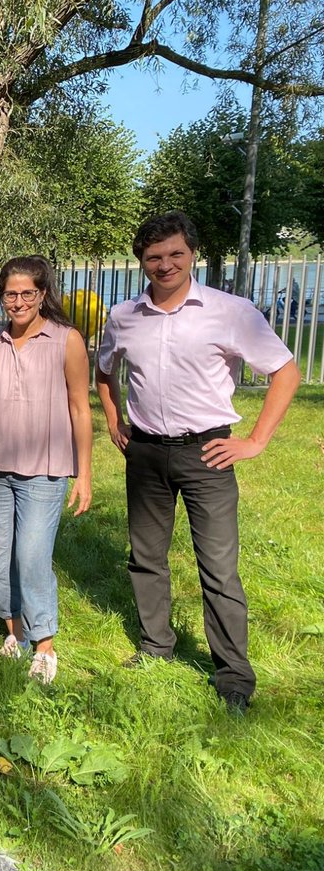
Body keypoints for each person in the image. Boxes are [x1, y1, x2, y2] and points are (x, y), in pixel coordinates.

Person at [96, 211, 300, 713]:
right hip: (144, 452)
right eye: (153, 257)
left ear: (192, 255)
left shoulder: (231, 311)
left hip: (207, 452)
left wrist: (254, 441)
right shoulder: (124, 316)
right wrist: (113, 420)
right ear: (141, 261)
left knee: (218, 567)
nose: (164, 265)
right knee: (146, 557)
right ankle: (155, 648)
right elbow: (105, 370)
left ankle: (233, 676)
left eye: (175, 255)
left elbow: (286, 371)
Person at [0, 256, 92, 684]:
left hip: (45, 468)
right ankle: (15, 633)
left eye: (27, 293)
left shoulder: (67, 340)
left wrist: (86, 473)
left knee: (32, 558)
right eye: (10, 294)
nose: (18, 302)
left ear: (43, 294)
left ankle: (44, 645)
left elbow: (80, 407)